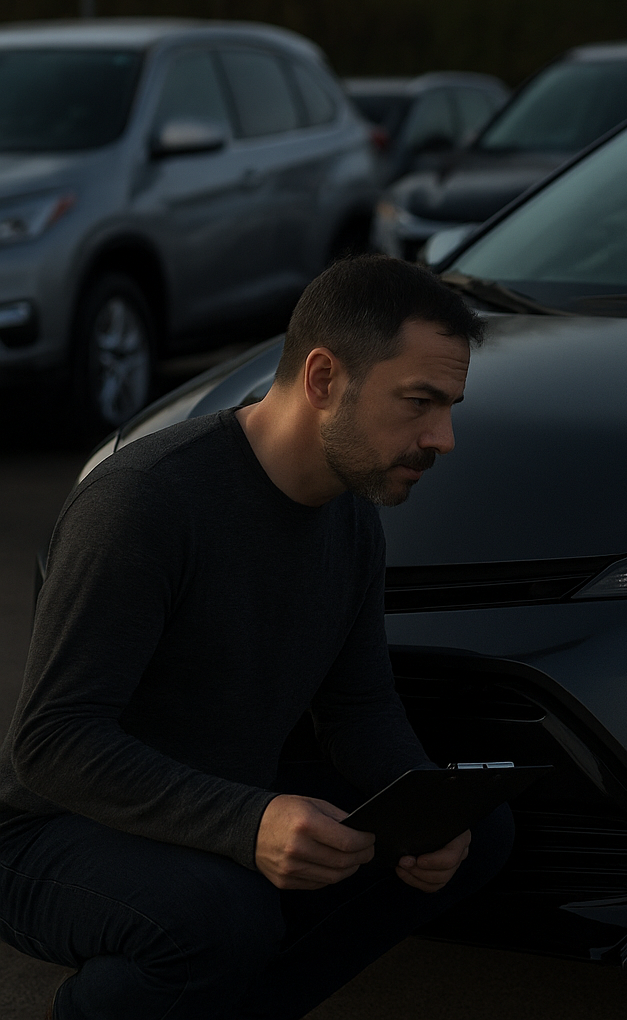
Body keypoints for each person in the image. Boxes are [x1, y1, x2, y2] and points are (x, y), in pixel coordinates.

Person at [0, 255, 511, 1019]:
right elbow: (52, 740)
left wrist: (428, 812)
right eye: (419, 402)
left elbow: (360, 709)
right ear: (322, 379)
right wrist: (250, 822)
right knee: (222, 914)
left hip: (218, 804)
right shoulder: (145, 503)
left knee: (477, 836)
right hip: (58, 834)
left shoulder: (350, 518)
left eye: (450, 407)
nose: (443, 438)